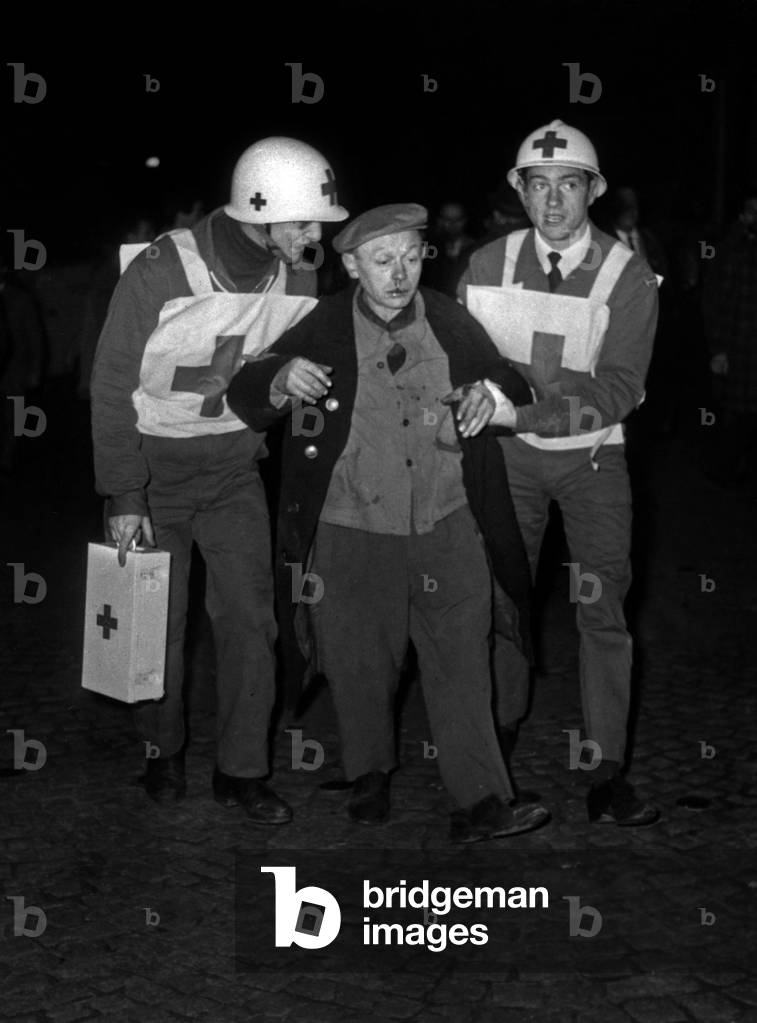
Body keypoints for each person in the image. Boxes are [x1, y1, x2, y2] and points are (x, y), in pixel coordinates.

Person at [227, 203, 551, 845]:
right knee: (361, 664)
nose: (399, 274)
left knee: (463, 661)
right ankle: (370, 773)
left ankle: (483, 800)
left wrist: (491, 395)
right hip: (351, 526)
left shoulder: (451, 321)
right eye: (382, 261)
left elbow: (513, 382)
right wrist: (280, 376)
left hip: (448, 519)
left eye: (409, 256)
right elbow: (246, 390)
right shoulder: (322, 325)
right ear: (351, 265)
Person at [90, 137, 348, 822]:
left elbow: (266, 380)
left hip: (233, 471)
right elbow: (111, 385)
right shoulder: (159, 269)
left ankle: (242, 769)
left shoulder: (298, 276)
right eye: (302, 222)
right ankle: (163, 751)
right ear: (257, 214)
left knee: (251, 622)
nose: (315, 236)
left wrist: (281, 385)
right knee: (154, 629)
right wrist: (125, 493)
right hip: (154, 474)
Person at [459, 120, 660, 827]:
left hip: (593, 460)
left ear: (593, 191)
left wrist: (523, 414)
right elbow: (463, 362)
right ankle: (499, 736)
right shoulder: (486, 262)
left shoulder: (627, 275)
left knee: (601, 609)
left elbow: (620, 388)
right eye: (538, 186)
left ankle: (607, 769)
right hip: (509, 463)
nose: (551, 202)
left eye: (567, 185)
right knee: (501, 601)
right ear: (519, 190)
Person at [703, 189, 757, 486]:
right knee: (732, 416)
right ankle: (724, 472)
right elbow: (717, 302)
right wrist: (718, 349)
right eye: (751, 211)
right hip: (737, 346)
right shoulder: (731, 248)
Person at [423, 201, 476, 296]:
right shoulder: (429, 247)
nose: (452, 224)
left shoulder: (474, 248)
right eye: (447, 219)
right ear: (439, 220)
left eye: (457, 220)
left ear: (465, 221)